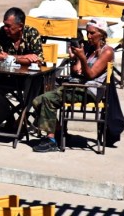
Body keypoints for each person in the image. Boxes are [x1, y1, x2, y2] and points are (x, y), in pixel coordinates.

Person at [30, 18, 115, 153]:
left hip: (90, 91)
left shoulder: (107, 52)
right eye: (87, 33)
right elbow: (77, 71)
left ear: (102, 34)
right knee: (36, 101)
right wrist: (75, 58)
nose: (89, 36)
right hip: (76, 86)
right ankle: (59, 132)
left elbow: (91, 74)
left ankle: (51, 139)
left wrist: (82, 58)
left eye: (92, 33)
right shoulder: (88, 48)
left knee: (47, 99)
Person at [0, 7, 45, 127]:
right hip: (9, 76)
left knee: (34, 83)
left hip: (28, 79)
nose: (5, 28)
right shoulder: (1, 33)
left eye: (9, 26)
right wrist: (23, 58)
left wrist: (9, 57)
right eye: (4, 25)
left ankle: (22, 119)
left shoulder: (32, 33)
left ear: (20, 26)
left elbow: (38, 61)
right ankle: (6, 116)